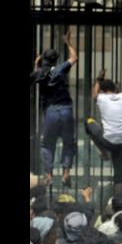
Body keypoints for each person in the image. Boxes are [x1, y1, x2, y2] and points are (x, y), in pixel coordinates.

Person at [30, 31, 78, 187]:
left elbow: (35, 75)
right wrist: (68, 42)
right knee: (69, 142)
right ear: (56, 60)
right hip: (65, 109)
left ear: (44, 59)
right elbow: (74, 58)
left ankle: (49, 174)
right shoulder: (59, 69)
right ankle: (65, 173)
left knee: (47, 144)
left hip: (50, 111)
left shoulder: (39, 73)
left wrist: (37, 64)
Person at [86, 69, 122, 196]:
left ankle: (104, 153)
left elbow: (94, 94)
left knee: (88, 123)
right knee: (120, 174)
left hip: (109, 141)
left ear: (102, 90)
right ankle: (119, 201)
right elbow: (117, 90)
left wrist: (98, 80)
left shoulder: (102, 99)